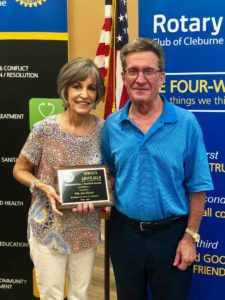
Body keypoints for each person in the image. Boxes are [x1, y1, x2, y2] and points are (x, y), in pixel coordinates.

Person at [101, 37, 213, 300]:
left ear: (162, 77)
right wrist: (90, 197)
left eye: (148, 71)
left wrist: (190, 237)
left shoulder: (186, 123)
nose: (140, 79)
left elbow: (198, 186)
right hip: (124, 234)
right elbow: (109, 174)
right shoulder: (111, 125)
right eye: (133, 71)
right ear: (123, 77)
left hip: (172, 237)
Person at [13, 57, 105, 300]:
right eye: (77, 86)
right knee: (51, 294)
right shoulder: (44, 129)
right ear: (65, 89)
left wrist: (101, 196)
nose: (84, 94)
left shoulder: (105, 132)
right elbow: (19, 169)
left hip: (86, 227)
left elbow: (111, 175)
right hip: (47, 228)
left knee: (80, 295)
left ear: (97, 95)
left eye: (91, 88)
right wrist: (39, 184)